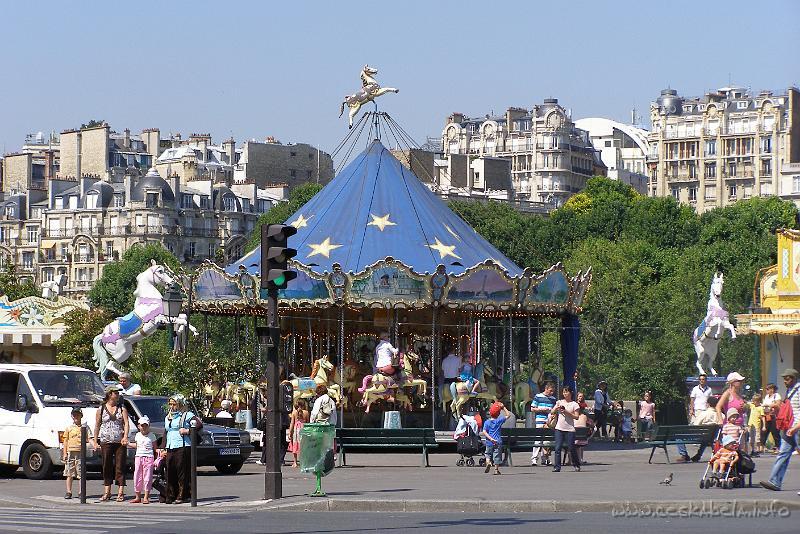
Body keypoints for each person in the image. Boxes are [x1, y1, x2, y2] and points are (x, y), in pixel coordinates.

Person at [760, 368, 800, 492]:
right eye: (784, 379)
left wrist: (795, 427)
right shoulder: (789, 390)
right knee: (783, 453)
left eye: (787, 379)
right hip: (789, 428)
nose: (784, 381)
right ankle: (775, 482)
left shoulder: (798, 390)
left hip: (797, 428)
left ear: (793, 378)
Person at [161, 394, 201, 505]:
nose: (172, 406)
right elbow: (166, 432)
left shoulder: (187, 415)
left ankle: (183, 495)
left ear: (180, 404)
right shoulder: (168, 416)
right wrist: (163, 448)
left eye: (174, 404)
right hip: (170, 446)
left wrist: (187, 431)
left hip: (183, 446)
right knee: (169, 471)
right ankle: (170, 495)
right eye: (170, 404)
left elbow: (199, 424)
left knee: (182, 472)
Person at [93, 386, 129, 502]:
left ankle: (120, 492)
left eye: (118, 393)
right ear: (109, 394)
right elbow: (97, 425)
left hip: (119, 441)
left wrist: (125, 437)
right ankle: (107, 491)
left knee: (120, 466)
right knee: (106, 465)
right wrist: (95, 441)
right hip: (105, 441)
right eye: (115, 393)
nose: (117, 395)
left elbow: (126, 423)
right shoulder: (101, 409)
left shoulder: (121, 408)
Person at [677, 396, 722, 462]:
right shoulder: (720, 415)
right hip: (711, 437)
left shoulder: (704, 413)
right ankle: (698, 455)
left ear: (708, 404)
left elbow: (695, 425)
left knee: (679, 436)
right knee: (706, 438)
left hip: (701, 436)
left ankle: (684, 455)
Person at [128, 416, 157, 504]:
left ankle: (146, 497)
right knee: (137, 476)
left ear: (149, 426)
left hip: (149, 457)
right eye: (142, 425)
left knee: (147, 477)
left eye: (146, 425)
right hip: (138, 457)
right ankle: (137, 496)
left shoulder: (152, 436)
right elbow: (137, 446)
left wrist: (157, 457)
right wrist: (128, 444)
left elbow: (155, 448)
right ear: (139, 426)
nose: (144, 427)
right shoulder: (137, 435)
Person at [552, 386, 581, 472]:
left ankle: (576, 464)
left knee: (571, 447)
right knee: (557, 448)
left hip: (569, 429)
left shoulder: (574, 404)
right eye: (564, 392)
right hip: (559, 428)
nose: (565, 394)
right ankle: (557, 466)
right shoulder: (559, 402)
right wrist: (556, 408)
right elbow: (552, 412)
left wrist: (566, 412)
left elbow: (576, 417)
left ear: (571, 393)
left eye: (566, 392)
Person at [62, 407, 86, 499]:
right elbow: (65, 441)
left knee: (80, 473)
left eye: (78, 415)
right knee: (69, 473)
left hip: (80, 452)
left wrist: (95, 444)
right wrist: (64, 453)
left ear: (81, 416)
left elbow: (89, 438)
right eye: (74, 415)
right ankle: (68, 491)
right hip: (70, 452)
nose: (76, 416)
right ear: (72, 416)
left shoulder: (84, 427)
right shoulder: (69, 428)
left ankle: (81, 491)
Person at [530, 382, 556, 466]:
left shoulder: (553, 399)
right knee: (538, 440)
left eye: (553, 391)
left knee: (547, 441)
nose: (551, 393)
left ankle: (545, 458)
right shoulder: (538, 396)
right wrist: (542, 409)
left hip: (549, 421)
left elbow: (554, 410)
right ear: (546, 389)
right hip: (540, 419)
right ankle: (534, 459)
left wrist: (552, 412)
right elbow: (532, 408)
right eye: (550, 391)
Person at [482, 401, 509, 475]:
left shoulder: (487, 422)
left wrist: (490, 438)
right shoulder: (499, 421)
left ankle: (488, 462)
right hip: (498, 441)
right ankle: (496, 470)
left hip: (489, 442)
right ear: (498, 414)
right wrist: (503, 407)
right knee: (497, 455)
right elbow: (508, 415)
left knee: (488, 454)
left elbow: (484, 431)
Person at [287, 399, 310, 468]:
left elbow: (292, 423)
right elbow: (308, 423)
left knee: (295, 445)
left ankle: (295, 462)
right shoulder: (306, 412)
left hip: (296, 430)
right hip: (304, 430)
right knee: (304, 446)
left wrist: (290, 433)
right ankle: (303, 462)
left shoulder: (294, 412)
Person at [762, 383, 782, 452]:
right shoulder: (767, 396)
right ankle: (762, 446)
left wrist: (770, 405)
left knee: (775, 432)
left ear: (772, 389)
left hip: (774, 416)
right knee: (765, 431)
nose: (766, 390)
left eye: (768, 389)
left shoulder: (776, 396)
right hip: (767, 415)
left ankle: (778, 446)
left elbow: (778, 405)